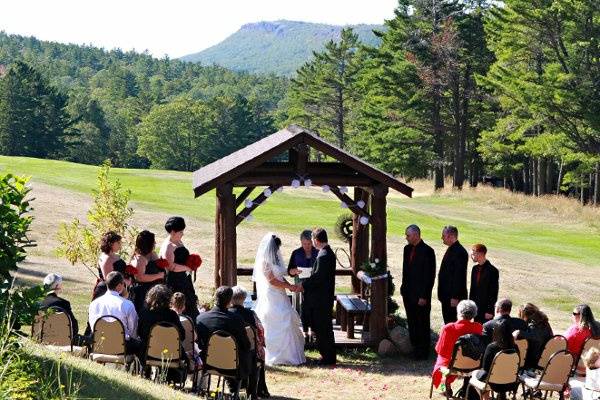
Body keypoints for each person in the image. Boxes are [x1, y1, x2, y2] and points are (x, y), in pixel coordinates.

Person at [253, 233, 306, 366]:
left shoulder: (275, 259)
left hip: (280, 294)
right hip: (271, 295)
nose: (277, 251)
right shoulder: (264, 262)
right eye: (276, 248)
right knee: (273, 321)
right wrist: (289, 286)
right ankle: (274, 355)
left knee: (286, 319)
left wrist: (290, 282)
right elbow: (272, 280)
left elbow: (280, 278)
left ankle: (290, 355)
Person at [196, 286, 251, 390]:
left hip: (207, 362)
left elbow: (199, 343)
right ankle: (243, 389)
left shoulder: (201, 318)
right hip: (232, 364)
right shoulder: (236, 320)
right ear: (230, 301)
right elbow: (246, 344)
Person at [298, 228, 336, 366]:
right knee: (323, 328)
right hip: (323, 298)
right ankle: (327, 355)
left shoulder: (324, 255)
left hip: (321, 300)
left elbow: (318, 278)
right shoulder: (326, 252)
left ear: (316, 240)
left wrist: (304, 284)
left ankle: (328, 357)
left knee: (322, 328)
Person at [432, 300, 483, 396]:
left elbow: (440, 350)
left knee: (441, 364)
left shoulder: (448, 328)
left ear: (459, 312)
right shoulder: (478, 328)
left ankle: (444, 388)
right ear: (474, 314)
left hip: (452, 364)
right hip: (475, 364)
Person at [400, 224, 436, 360]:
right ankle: (415, 349)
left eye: (408, 235)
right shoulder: (407, 249)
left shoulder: (428, 251)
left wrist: (424, 295)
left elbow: (429, 276)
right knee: (412, 321)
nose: (406, 238)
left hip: (421, 295)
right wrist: (403, 289)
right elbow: (406, 271)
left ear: (416, 235)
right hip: (408, 293)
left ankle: (423, 352)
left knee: (422, 322)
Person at [229, 286, 270, 400]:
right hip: (249, 352)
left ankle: (239, 389)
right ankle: (254, 391)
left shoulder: (226, 314)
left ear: (231, 299)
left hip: (228, 352)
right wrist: (261, 344)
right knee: (258, 353)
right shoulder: (251, 314)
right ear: (244, 298)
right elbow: (260, 332)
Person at [88, 271, 140, 354]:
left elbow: (93, 326)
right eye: (123, 284)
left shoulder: (94, 303)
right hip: (123, 346)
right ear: (119, 286)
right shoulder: (127, 304)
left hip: (100, 343)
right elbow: (133, 329)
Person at [159, 217, 199, 321]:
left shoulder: (178, 241)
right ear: (172, 232)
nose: (182, 234)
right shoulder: (168, 247)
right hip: (175, 282)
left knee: (191, 306)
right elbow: (170, 266)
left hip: (184, 279)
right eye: (180, 231)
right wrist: (187, 267)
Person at [468, 320, 518, 400]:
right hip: (510, 381)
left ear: (496, 331)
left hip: (493, 383)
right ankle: (500, 395)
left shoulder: (491, 347)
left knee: (475, 373)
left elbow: (486, 368)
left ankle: (486, 398)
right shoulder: (515, 348)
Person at [137, 284, 185, 364]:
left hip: (147, 353)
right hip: (170, 354)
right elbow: (182, 336)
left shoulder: (144, 313)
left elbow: (139, 332)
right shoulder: (172, 315)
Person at [287, 229, 318, 342]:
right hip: (300, 285)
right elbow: (289, 271)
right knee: (303, 309)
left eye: (309, 243)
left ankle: (314, 332)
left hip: (315, 286)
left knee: (314, 309)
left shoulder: (318, 252)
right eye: (304, 243)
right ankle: (305, 332)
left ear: (313, 242)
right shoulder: (296, 253)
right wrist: (294, 271)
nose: (307, 246)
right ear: (301, 242)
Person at [41, 273, 83, 345]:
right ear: (57, 286)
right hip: (62, 341)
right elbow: (74, 328)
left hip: (41, 338)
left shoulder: (38, 303)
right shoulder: (63, 303)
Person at [437, 226, 468, 324]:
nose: (441, 238)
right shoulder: (452, 249)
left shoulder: (460, 252)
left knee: (453, 323)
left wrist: (455, 297)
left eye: (443, 236)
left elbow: (459, 276)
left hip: (453, 298)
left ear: (450, 236)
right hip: (446, 296)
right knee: (448, 323)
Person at [129, 230, 166, 313]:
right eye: (153, 241)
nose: (155, 243)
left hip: (153, 291)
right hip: (143, 293)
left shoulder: (151, 254)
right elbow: (140, 277)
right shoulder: (140, 259)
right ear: (148, 244)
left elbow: (158, 264)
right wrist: (159, 276)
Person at [513, 303, 553, 369]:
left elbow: (536, 336)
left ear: (524, 314)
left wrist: (519, 332)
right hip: (545, 356)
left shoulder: (533, 323)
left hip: (535, 359)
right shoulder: (544, 321)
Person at [468, 244, 499, 323]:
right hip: (475, 308)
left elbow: (493, 292)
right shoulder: (475, 269)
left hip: (486, 310)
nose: (471, 256)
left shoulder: (493, 271)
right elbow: (473, 289)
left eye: (473, 254)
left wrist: (490, 310)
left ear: (480, 254)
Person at [94, 231, 126, 298]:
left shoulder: (115, 255)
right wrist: (125, 285)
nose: (120, 245)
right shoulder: (106, 259)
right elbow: (109, 280)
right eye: (118, 243)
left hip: (120, 288)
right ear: (111, 244)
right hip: (109, 292)